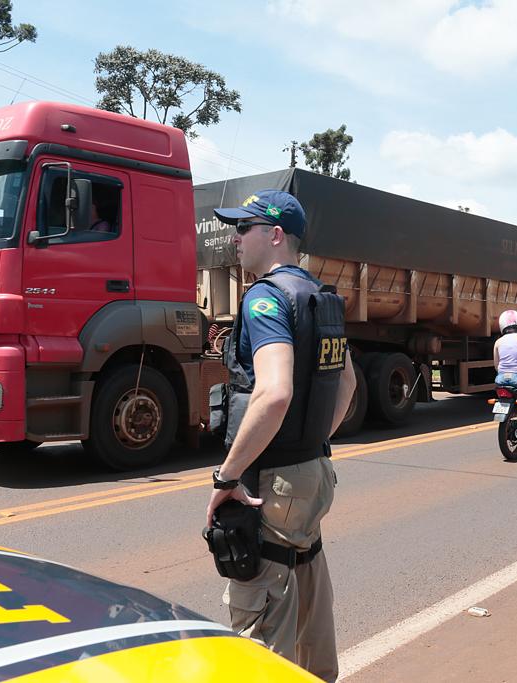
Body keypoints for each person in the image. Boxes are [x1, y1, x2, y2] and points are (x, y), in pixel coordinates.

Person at [205, 189, 357, 682]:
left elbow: (274, 393)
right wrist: (307, 445)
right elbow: (347, 384)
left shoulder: (266, 297)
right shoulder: (323, 299)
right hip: (314, 472)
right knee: (305, 578)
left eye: (243, 229)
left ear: (274, 236)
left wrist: (226, 477)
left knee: (258, 635)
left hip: (273, 485)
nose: (235, 240)